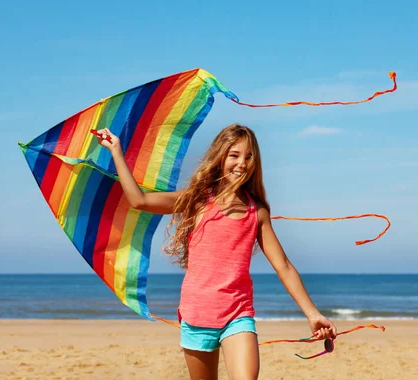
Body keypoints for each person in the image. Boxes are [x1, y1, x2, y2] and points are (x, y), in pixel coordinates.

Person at [97, 124, 337, 380]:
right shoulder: (197, 200)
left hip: (238, 315)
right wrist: (116, 152)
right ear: (220, 157)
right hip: (196, 314)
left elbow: (284, 266)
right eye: (234, 155)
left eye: (249, 156)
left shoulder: (258, 213)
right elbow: (140, 201)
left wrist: (313, 314)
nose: (242, 163)